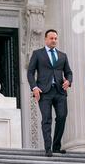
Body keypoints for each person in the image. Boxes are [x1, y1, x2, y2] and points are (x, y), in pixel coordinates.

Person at [27, 29, 73, 157]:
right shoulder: (37, 54)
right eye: (51, 38)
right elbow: (30, 72)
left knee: (62, 117)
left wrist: (68, 81)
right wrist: (34, 87)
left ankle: (56, 146)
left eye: (55, 38)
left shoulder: (62, 55)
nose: (54, 40)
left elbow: (69, 72)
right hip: (44, 91)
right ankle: (48, 148)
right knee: (47, 119)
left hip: (60, 91)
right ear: (46, 39)